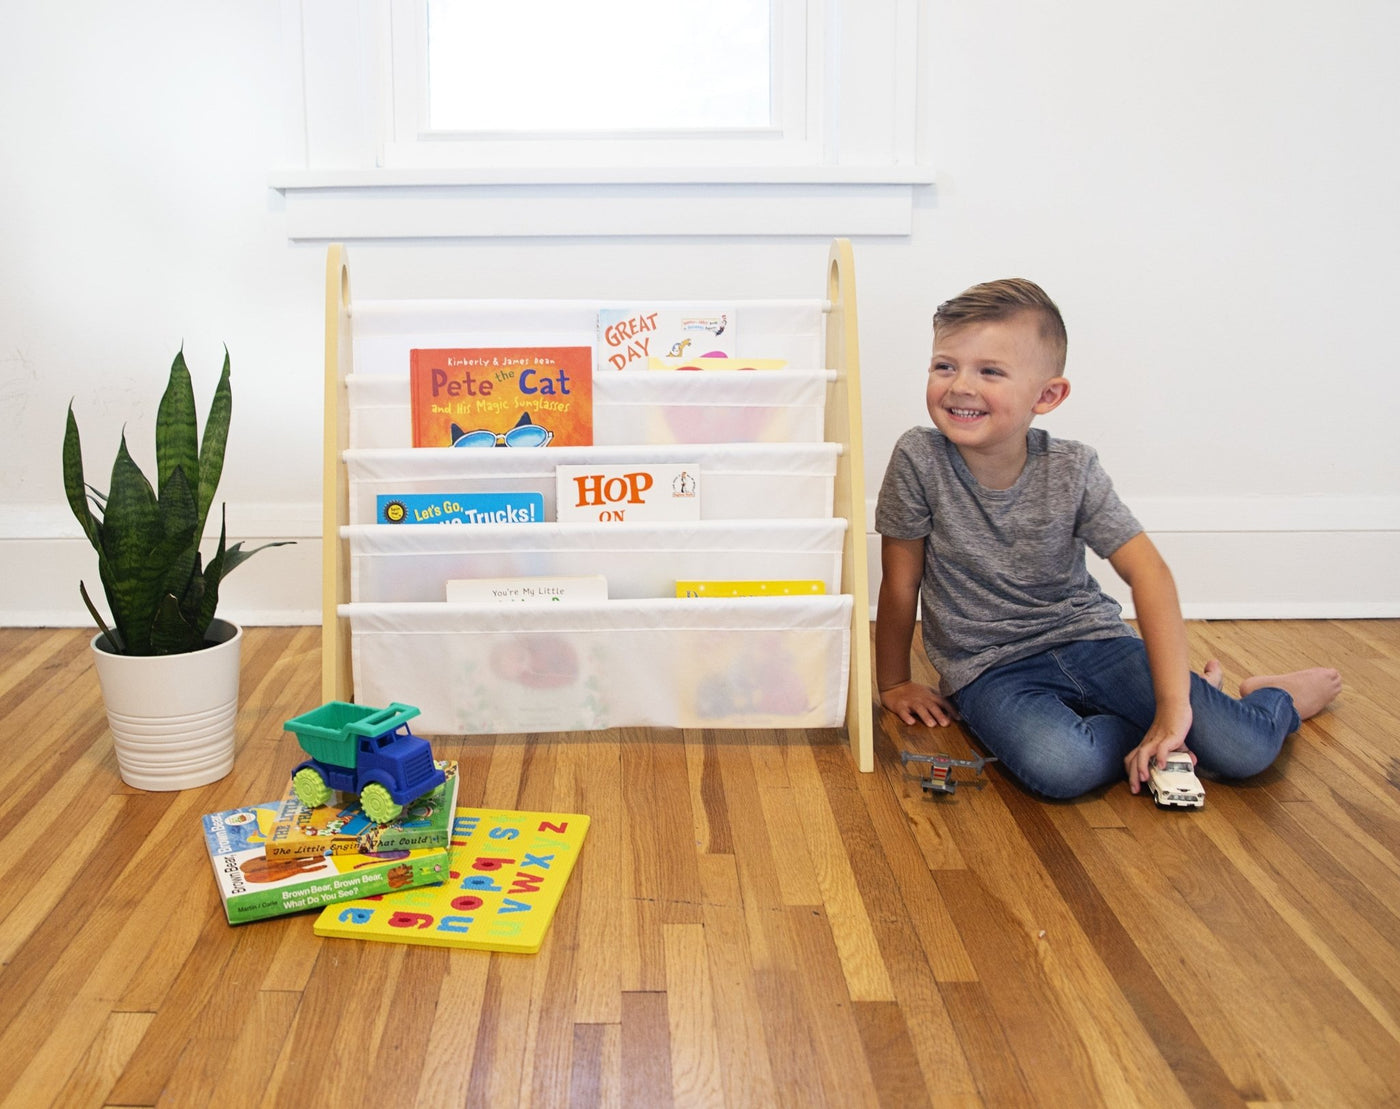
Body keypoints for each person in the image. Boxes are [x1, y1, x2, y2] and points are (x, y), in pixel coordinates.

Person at [874, 278, 1341, 800]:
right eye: (945, 366)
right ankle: (1171, 726)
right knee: (1061, 766)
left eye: (990, 371)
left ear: (1047, 395)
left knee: (1245, 751)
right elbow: (900, 580)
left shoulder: (1073, 468)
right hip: (991, 667)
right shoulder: (918, 458)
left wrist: (1173, 709)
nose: (960, 385)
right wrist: (893, 682)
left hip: (1094, 640)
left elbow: (1150, 573)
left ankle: (1277, 697)